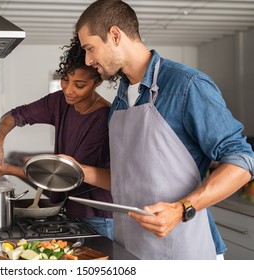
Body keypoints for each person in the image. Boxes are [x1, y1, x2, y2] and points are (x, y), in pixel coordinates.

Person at [70, 0, 254, 259]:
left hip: (184, 251)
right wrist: (76, 171)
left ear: (114, 35)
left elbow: (242, 161)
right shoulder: (120, 100)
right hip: (132, 248)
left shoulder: (186, 85)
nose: (88, 60)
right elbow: (130, 181)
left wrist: (181, 209)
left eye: (90, 49)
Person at [0, 36, 114, 239]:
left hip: (98, 218)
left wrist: (10, 169)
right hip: (71, 211)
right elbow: (13, 117)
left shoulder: (103, 119)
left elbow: (64, 177)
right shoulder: (59, 102)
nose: (68, 90)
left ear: (98, 82)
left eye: (79, 85)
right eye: (65, 79)